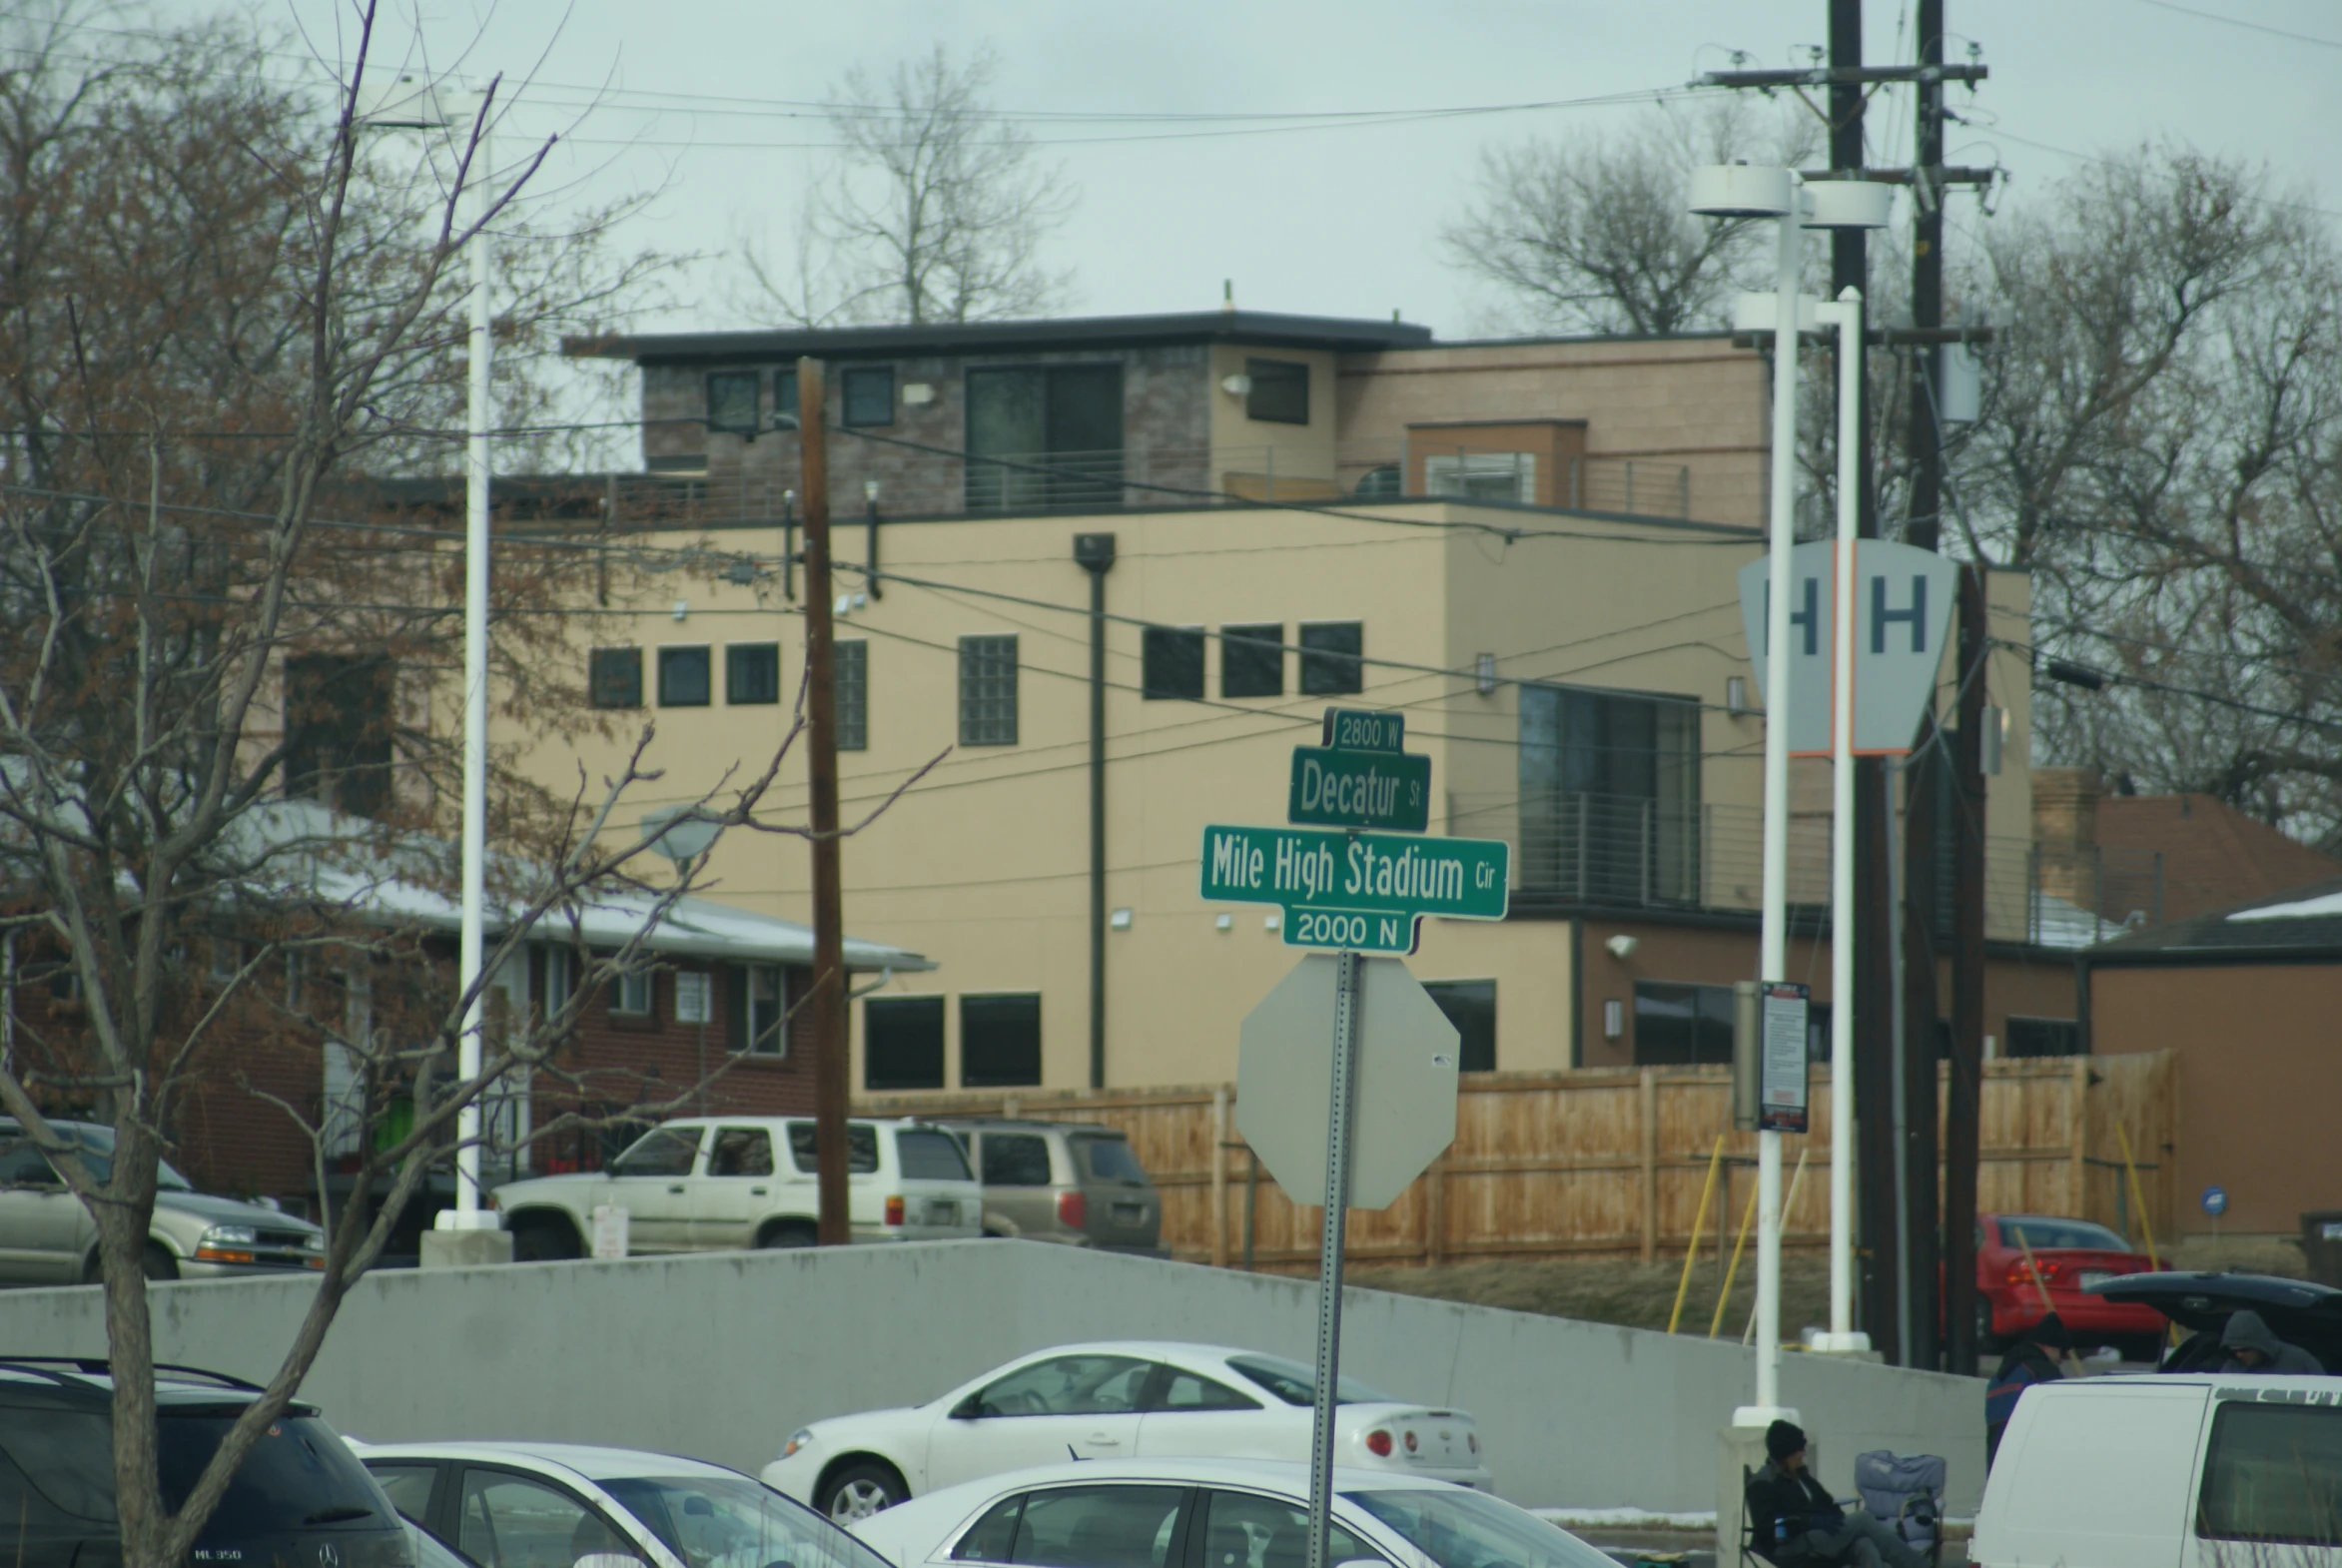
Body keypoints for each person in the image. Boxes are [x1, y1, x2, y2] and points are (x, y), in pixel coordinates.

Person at [1746, 1420, 1928, 1568]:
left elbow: (1827, 1503)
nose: (1803, 1453)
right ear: (1785, 1454)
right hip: (1789, 1545)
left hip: (1818, 1536)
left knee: (1864, 1545)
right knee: (1863, 1519)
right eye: (1798, 1450)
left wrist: (1830, 1516)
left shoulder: (1800, 1476)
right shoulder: (1763, 1483)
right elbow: (1766, 1526)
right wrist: (1808, 1521)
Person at [1985, 1312, 2072, 1465]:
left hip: (1997, 1465)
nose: (2061, 1359)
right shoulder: (2042, 1371)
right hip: (2031, 1460)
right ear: (2047, 1348)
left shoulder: (1999, 1377)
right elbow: (2062, 1419)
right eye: (2061, 1352)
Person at [2218, 1309, 2323, 1374]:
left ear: (2259, 1345)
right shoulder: (2231, 1367)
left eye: (2244, 1349)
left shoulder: (2300, 1361)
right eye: (2233, 1351)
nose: (2239, 1355)